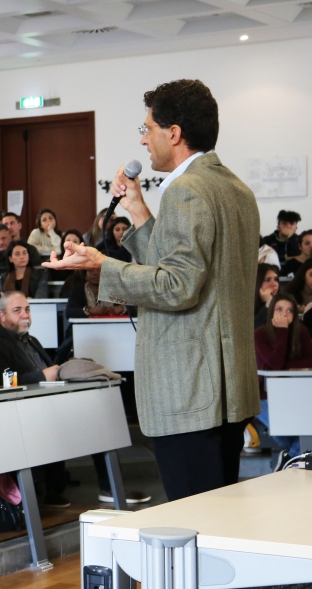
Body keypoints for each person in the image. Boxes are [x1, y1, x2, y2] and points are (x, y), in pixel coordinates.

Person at [44, 79, 260, 502]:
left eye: (147, 129)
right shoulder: (234, 188)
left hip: (191, 389)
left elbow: (177, 285)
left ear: (173, 133)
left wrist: (102, 264)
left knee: (196, 522)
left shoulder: (185, 191)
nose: (144, 140)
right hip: (226, 386)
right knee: (219, 518)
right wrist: (139, 211)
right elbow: (193, 269)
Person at [0, 292, 67, 507]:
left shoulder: (32, 340)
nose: (25, 315)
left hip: (46, 404)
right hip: (18, 412)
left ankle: (56, 487)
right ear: (2, 316)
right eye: (17, 310)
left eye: (27, 309)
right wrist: (42, 376)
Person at [254, 293, 312, 461]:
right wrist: (282, 331)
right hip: (265, 396)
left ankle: (288, 459)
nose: (284, 315)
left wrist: (285, 365)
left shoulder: (301, 331)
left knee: (306, 430)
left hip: (296, 392)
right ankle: (292, 459)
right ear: (272, 311)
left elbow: (310, 359)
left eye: (289, 310)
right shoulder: (260, 334)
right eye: (279, 309)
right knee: (283, 433)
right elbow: (275, 364)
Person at [254, 263, 281, 330]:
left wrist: (269, 302)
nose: (274, 284)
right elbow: (254, 331)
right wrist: (268, 303)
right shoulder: (246, 305)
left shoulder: (283, 302)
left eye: (276, 279)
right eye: (267, 280)